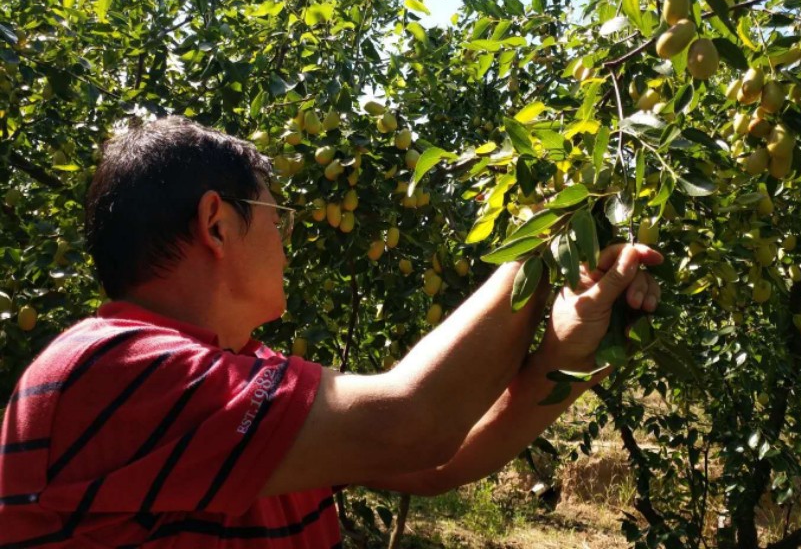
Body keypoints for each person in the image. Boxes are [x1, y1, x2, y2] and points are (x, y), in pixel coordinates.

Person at [0, 117, 662, 547]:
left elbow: (434, 462)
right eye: (275, 214)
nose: (287, 238)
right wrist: (551, 236)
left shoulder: (236, 377)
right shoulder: (116, 365)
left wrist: (570, 349)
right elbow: (413, 422)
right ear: (217, 223)